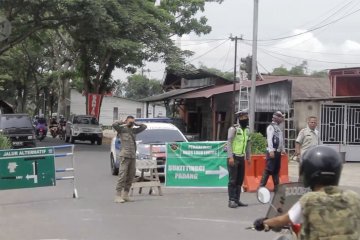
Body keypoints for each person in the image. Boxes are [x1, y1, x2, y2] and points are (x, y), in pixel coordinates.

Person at [253, 145, 360, 239]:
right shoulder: (353, 198)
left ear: (308, 173)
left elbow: (285, 219)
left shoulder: (310, 200)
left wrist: (264, 222)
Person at [112, 116, 147, 203]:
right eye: (130, 122)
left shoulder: (134, 130)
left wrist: (136, 124)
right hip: (125, 156)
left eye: (132, 122)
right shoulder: (122, 129)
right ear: (126, 121)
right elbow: (114, 124)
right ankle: (118, 195)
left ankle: (125, 194)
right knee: (122, 175)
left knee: (131, 176)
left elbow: (144, 127)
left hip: (132, 156)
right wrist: (123, 122)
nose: (131, 123)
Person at [226, 109, 251, 208]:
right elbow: (229, 142)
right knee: (233, 180)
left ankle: (237, 199)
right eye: (243, 118)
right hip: (234, 157)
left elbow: (248, 143)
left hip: (241, 158)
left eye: (246, 117)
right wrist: (230, 157)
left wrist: (248, 157)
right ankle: (231, 200)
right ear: (239, 118)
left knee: (240, 180)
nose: (245, 119)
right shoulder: (234, 129)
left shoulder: (247, 130)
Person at [259, 111, 285, 192]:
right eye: (281, 117)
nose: (282, 119)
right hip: (272, 151)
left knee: (276, 170)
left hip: (277, 151)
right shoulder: (271, 127)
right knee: (268, 169)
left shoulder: (278, 127)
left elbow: (280, 140)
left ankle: (276, 187)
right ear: (276, 117)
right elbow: (269, 139)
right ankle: (261, 186)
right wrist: (271, 150)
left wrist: (283, 149)